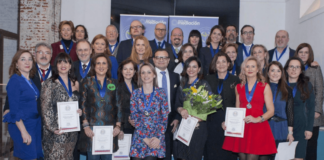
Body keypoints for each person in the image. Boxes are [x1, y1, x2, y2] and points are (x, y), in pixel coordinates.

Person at [222, 56, 277, 160]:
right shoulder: (238, 87)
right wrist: (229, 123)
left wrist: (257, 119)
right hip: (242, 128)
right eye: (247, 66)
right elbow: (237, 111)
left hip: (258, 127)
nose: (250, 69)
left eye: (253, 66)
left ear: (257, 69)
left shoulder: (265, 86)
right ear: (243, 69)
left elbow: (271, 111)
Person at [78, 53, 122, 160]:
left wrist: (118, 126)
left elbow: (118, 105)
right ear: (94, 66)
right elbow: (82, 104)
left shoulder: (114, 83)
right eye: (98, 63)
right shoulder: (86, 82)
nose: (101, 66)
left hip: (110, 129)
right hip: (92, 129)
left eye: (104, 63)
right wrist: (86, 126)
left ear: (108, 66)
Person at [3, 50, 43, 159]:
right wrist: (24, 132)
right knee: (29, 156)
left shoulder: (30, 80)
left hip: (34, 123)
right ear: (16, 64)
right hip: (22, 124)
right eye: (23, 59)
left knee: (34, 156)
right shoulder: (15, 81)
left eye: (30, 59)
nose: (27, 62)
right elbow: (14, 111)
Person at [41, 52, 82, 159]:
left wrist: (80, 111)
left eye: (66, 62)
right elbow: (45, 108)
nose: (63, 65)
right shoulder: (49, 83)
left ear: (70, 65)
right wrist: (53, 128)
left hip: (72, 130)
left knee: (68, 156)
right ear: (56, 65)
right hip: (56, 130)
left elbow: (79, 102)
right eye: (60, 62)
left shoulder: (75, 82)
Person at [129, 62, 169, 160]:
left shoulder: (161, 93)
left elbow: (165, 118)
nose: (146, 75)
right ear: (140, 76)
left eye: (149, 72)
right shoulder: (135, 93)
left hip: (156, 138)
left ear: (154, 74)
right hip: (140, 137)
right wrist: (144, 138)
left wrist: (158, 137)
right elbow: (134, 117)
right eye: (143, 73)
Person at [175, 56, 212, 160]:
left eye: (194, 67)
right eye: (188, 66)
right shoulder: (182, 84)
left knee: (194, 157)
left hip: (198, 127)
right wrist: (181, 110)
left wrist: (197, 119)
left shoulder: (204, 84)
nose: (191, 69)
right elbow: (177, 104)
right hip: (184, 126)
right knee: (182, 157)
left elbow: (209, 105)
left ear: (199, 69)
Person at [205, 52, 240, 160]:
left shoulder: (236, 80)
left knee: (227, 154)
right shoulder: (208, 79)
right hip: (211, 122)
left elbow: (238, 103)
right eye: (218, 62)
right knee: (212, 152)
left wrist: (231, 121)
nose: (221, 64)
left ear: (229, 64)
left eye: (224, 61)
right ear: (214, 65)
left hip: (229, 123)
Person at [3, 42, 53, 116]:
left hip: (53, 117)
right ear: (35, 54)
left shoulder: (58, 72)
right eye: (40, 52)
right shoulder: (26, 70)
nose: (43, 55)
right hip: (31, 116)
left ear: (51, 55)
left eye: (47, 53)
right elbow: (13, 92)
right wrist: (7, 108)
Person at [294, 43, 323, 160]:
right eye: (301, 52)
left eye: (306, 52)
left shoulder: (315, 68)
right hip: (298, 116)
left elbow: (320, 90)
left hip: (313, 115)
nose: (303, 55)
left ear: (310, 54)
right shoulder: (293, 68)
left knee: (310, 148)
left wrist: (317, 110)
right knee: (297, 148)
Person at [284, 57, 315, 160]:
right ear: (286, 69)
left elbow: (311, 108)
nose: (294, 70)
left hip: (300, 126)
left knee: (298, 157)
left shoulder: (307, 85)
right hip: (283, 125)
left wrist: (309, 128)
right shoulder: (281, 85)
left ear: (301, 70)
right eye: (291, 66)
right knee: (284, 157)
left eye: (297, 67)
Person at [262, 61, 294, 160]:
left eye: (278, 71)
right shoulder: (260, 88)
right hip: (265, 127)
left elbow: (290, 112)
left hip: (282, 128)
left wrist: (290, 133)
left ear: (282, 73)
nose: (275, 73)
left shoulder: (288, 90)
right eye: (272, 70)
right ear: (268, 73)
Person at [153, 49, 180, 160]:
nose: (161, 60)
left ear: (168, 60)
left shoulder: (175, 76)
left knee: (166, 153)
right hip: (152, 119)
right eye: (158, 57)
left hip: (169, 119)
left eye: (164, 57)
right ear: (154, 60)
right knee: (152, 153)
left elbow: (178, 100)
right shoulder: (148, 75)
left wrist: (177, 117)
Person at [116, 59, 138, 137]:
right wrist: (120, 128)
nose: (128, 71)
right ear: (121, 71)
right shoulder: (117, 86)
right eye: (125, 69)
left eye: (131, 69)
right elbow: (116, 109)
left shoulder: (138, 87)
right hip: (123, 125)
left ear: (135, 71)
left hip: (136, 126)